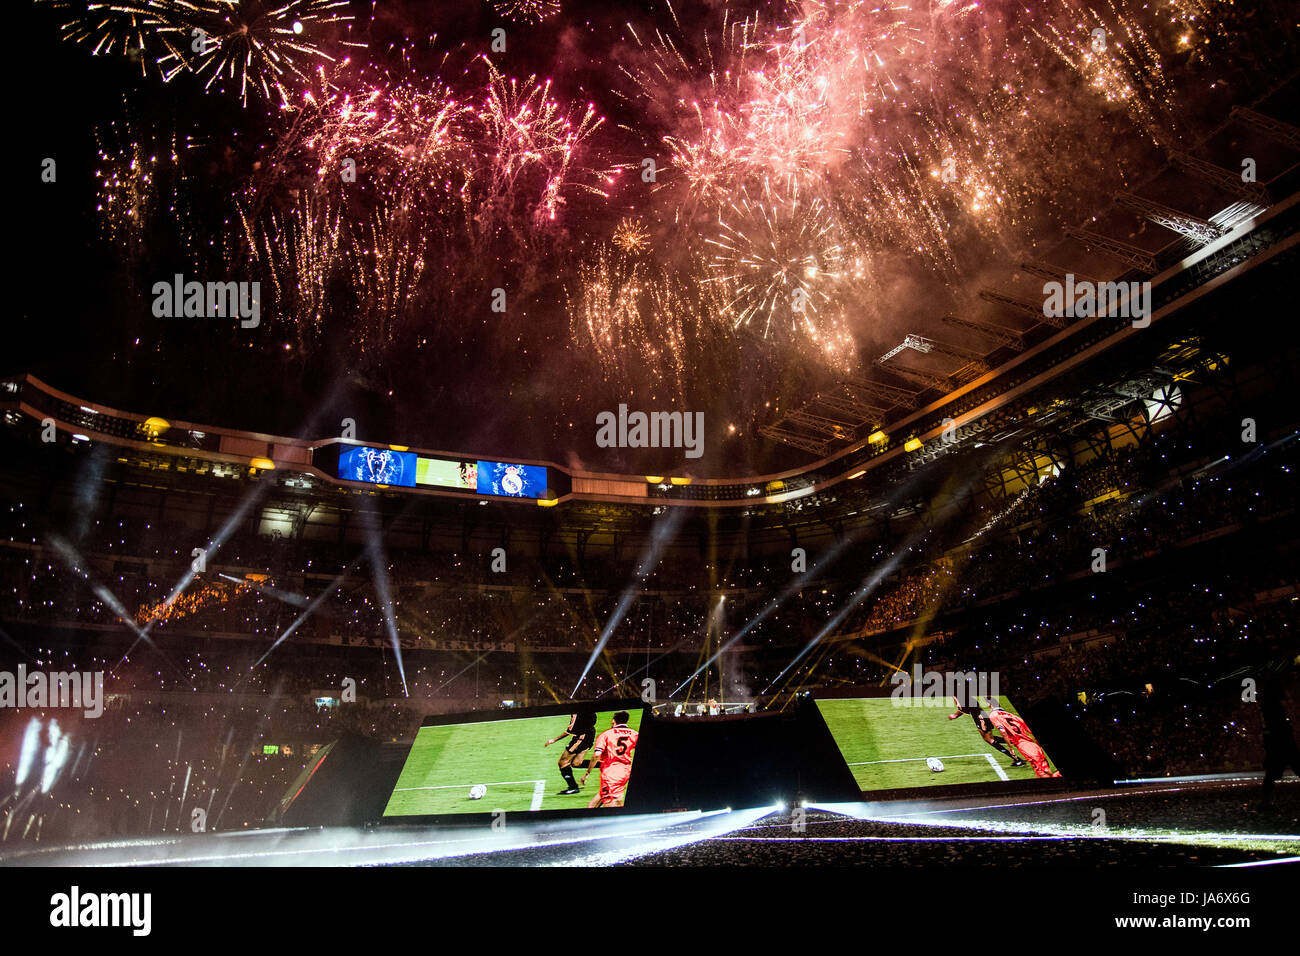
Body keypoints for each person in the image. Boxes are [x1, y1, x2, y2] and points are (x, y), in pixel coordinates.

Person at [983, 699, 1060, 778]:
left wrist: (1010, 748)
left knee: (1043, 773)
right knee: (1041, 772)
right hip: (1032, 745)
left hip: (1024, 745)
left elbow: (1003, 732)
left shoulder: (993, 715)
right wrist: (1038, 745)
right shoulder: (1011, 715)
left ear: (990, 704)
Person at [948, 694, 1024, 767]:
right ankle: (1015, 741)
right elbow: (964, 709)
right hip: (979, 719)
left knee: (990, 740)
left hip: (982, 719)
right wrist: (955, 715)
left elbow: (966, 708)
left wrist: (982, 723)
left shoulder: (965, 700)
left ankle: (1017, 758)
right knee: (989, 739)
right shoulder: (964, 700)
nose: (954, 700)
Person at [581, 711, 639, 807]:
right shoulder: (634, 734)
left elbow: (596, 755)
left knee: (612, 806)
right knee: (592, 805)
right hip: (625, 771)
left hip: (611, 774)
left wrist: (587, 773)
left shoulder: (606, 735)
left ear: (613, 721)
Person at [545, 711, 597, 795]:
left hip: (581, 738)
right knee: (576, 763)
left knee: (562, 762)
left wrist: (554, 740)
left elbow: (569, 731)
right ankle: (605, 764)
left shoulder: (576, 712)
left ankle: (573, 787)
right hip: (589, 734)